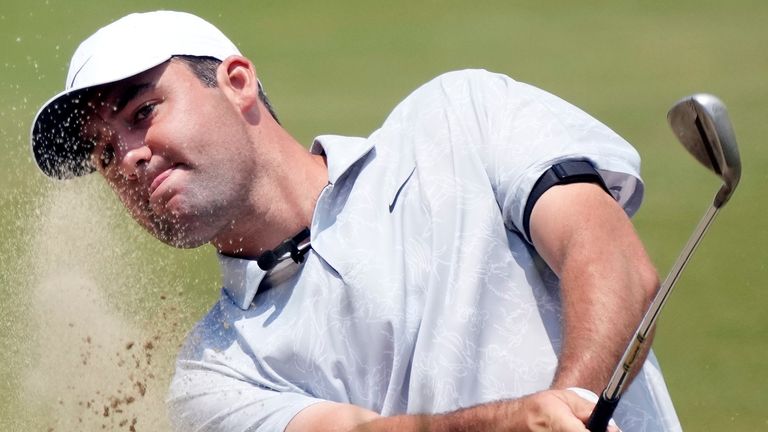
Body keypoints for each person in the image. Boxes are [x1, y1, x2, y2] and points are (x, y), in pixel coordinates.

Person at [30, 10, 681, 432]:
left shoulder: (458, 118)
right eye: (105, 153)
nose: (129, 157)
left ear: (236, 81)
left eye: (143, 110)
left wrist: (575, 402)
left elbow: (608, 253)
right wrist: (515, 423)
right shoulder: (212, 375)